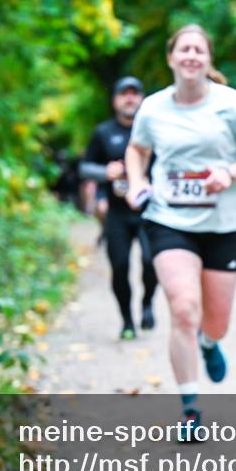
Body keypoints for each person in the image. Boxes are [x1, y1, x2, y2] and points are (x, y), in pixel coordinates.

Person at [125, 24, 236, 439]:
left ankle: (210, 345)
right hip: (168, 220)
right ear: (172, 58)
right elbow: (137, 150)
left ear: (208, 60)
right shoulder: (153, 108)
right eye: (184, 49)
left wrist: (229, 172)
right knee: (184, 308)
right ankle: (191, 409)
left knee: (216, 322)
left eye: (199, 50)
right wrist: (137, 183)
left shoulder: (233, 105)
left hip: (224, 224)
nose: (191, 55)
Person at [80, 76, 159, 340]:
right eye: (124, 94)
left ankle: (147, 303)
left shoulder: (155, 130)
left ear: (142, 99)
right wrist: (105, 172)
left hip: (150, 211)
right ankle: (127, 320)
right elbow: (84, 167)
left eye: (135, 94)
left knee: (152, 262)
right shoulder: (104, 133)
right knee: (120, 266)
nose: (130, 98)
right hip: (117, 213)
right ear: (115, 100)